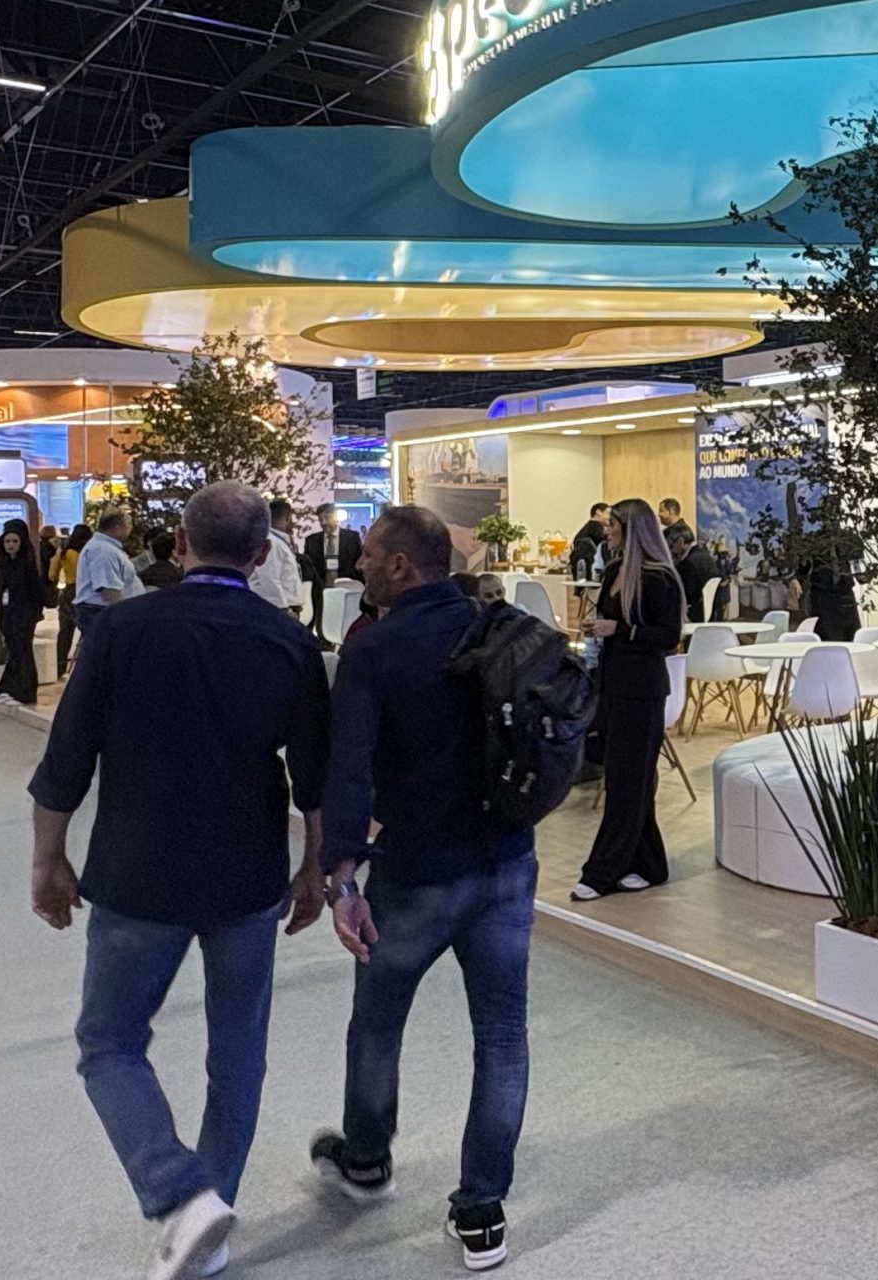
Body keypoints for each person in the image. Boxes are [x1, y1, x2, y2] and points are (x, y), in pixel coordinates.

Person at [28, 482, 329, 1280]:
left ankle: (179, 1192)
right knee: (239, 1053)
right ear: (261, 555)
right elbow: (315, 779)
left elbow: (66, 758)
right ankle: (211, 1222)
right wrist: (313, 868)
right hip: (247, 873)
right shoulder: (288, 642)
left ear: (180, 545)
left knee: (109, 1043)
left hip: (138, 869)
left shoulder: (122, 631)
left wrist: (47, 857)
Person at [309, 505, 537, 1274]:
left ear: (402, 566)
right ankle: (481, 1211)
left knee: (377, 1021)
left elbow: (349, 768)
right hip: (508, 863)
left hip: (416, 870)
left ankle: (367, 1158)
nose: (360, 565)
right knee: (501, 1037)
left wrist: (342, 875)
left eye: (370, 555)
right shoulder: (498, 626)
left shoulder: (375, 649)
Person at [574, 498, 682, 903]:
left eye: (613, 526)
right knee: (627, 779)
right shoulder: (615, 571)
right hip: (613, 685)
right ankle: (649, 864)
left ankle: (602, 870)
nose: (607, 532)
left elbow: (668, 637)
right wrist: (599, 629)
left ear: (631, 529)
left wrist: (619, 629)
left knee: (627, 782)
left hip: (643, 691)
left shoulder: (660, 579)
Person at [0, 519, 50, 705]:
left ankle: (25, 692)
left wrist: (32, 614)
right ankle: (11, 688)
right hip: (7, 614)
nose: (10, 545)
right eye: (7, 541)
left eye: (15, 541)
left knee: (23, 651)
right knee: (14, 651)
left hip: (23, 615)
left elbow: (37, 592)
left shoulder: (27, 565)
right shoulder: (3, 564)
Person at [75, 509, 145, 638]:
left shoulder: (106, 547)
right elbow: (110, 591)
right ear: (117, 527)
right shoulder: (103, 550)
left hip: (105, 612)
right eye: (129, 523)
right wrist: (124, 619)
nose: (131, 528)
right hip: (104, 613)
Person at [302, 503, 363, 635]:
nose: (323, 523)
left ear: (335, 517)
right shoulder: (311, 541)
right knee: (324, 626)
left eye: (327, 518)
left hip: (346, 589)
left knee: (345, 625)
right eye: (320, 519)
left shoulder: (352, 537)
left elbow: (359, 562)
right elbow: (308, 568)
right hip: (321, 591)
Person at [250, 499, 305, 618]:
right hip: (280, 609)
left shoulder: (278, 541)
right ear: (288, 518)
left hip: (284, 607)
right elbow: (269, 579)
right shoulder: (272, 542)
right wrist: (284, 611)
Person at [55, 525, 94, 680]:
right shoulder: (84, 554)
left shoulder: (65, 553)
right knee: (85, 629)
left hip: (67, 591)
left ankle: (59, 667)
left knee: (64, 631)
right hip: (80, 590)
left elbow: (52, 573)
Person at [666, 526, 720, 623]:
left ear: (680, 541)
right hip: (711, 614)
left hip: (694, 616)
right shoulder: (704, 555)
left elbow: (683, 595)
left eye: (670, 545)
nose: (670, 550)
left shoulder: (688, 564)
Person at [568, 503, 609, 582]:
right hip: (591, 573)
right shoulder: (595, 528)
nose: (610, 517)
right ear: (598, 512)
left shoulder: (587, 529)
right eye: (607, 513)